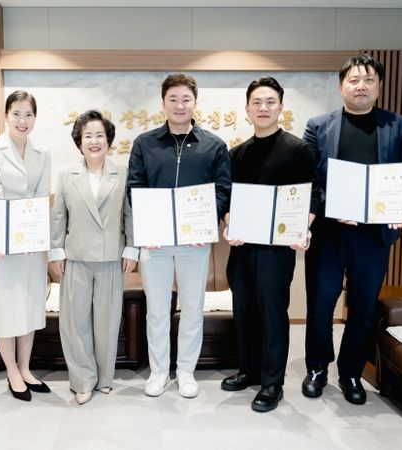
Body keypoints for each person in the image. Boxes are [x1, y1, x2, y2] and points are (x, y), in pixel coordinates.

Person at [301, 54, 402, 405]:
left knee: (363, 308)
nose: (361, 86)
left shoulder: (397, 125)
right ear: (341, 86)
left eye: (369, 80)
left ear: (379, 86)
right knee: (321, 305)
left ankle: (350, 372)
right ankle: (317, 368)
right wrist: (333, 208)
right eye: (354, 80)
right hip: (329, 234)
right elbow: (308, 180)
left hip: (373, 235)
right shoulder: (318, 126)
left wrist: (401, 208)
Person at [127, 73, 231, 398]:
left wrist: (206, 223)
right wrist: (147, 227)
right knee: (157, 309)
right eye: (173, 99)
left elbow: (222, 190)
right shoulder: (145, 143)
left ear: (195, 103)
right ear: (163, 103)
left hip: (194, 242)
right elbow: (134, 187)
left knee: (192, 307)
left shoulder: (214, 145)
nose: (180, 105)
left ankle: (186, 371)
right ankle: (158, 371)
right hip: (155, 242)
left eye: (186, 99)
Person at [221, 77, 320, 412]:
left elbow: (313, 196)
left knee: (273, 313)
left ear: (281, 107)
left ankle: (272, 382)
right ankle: (248, 370)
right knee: (244, 309)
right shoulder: (236, 154)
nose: (263, 108)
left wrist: (303, 228)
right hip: (242, 246)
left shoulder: (298, 150)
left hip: (277, 250)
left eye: (270, 102)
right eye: (257, 103)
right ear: (247, 109)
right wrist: (229, 224)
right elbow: (226, 200)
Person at [49, 110, 138, 405]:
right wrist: (56, 252)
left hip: (112, 257)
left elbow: (129, 215)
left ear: (109, 140)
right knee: (75, 323)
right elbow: (58, 217)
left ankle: (104, 378)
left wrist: (132, 249)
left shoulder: (122, 173)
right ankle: (82, 381)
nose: (94, 141)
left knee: (107, 322)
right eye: (88, 135)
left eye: (100, 135)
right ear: (79, 141)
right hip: (75, 257)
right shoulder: (66, 175)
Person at [0, 90, 51, 402]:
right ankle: (11, 371)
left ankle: (26, 368)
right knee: (8, 308)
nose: (23, 120)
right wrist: (10, 237)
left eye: (28, 114)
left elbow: (42, 197)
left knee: (30, 307)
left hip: (32, 245)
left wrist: (33, 236)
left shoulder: (42, 153)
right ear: (6, 116)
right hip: (2, 245)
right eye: (17, 113)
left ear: (35, 118)